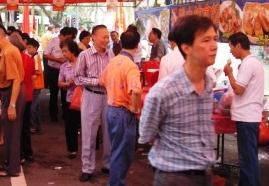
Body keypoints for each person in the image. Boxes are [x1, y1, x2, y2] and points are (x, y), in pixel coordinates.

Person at [139, 15, 217, 186]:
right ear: (187, 48)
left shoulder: (208, 83)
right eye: (206, 40)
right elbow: (146, 134)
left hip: (205, 174)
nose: (214, 46)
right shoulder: (163, 91)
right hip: (174, 177)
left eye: (215, 39)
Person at [100, 30, 142, 186]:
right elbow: (136, 91)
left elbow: (101, 81)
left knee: (117, 151)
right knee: (122, 153)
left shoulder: (113, 61)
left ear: (122, 43)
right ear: (137, 46)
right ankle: (116, 184)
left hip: (111, 110)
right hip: (123, 112)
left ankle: (114, 182)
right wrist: (135, 109)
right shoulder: (131, 66)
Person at [75, 24, 114, 182]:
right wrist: (97, 81)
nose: (107, 39)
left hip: (108, 97)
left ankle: (107, 164)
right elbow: (78, 78)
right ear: (93, 37)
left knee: (108, 132)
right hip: (91, 95)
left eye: (108, 37)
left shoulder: (111, 54)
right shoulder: (84, 55)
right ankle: (87, 168)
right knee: (89, 133)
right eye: (104, 36)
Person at [224, 32, 264, 186]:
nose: (230, 51)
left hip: (247, 118)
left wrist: (229, 74)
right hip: (249, 117)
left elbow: (239, 89)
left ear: (239, 45)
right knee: (250, 158)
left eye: (231, 47)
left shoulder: (248, 64)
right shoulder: (252, 63)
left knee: (247, 159)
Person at [0, 27, 26, 178]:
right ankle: (10, 162)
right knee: (11, 131)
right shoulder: (5, 51)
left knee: (11, 133)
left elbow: (16, 80)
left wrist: (12, 105)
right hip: (10, 92)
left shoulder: (9, 52)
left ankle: (12, 168)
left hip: (12, 93)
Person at [9, 33, 34, 164]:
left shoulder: (12, 58)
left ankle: (20, 154)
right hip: (28, 94)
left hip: (17, 94)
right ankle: (28, 152)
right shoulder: (29, 59)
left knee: (16, 127)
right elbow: (32, 77)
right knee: (25, 125)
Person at [58, 39, 82, 160]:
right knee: (70, 126)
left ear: (73, 50)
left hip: (85, 99)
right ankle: (72, 149)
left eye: (65, 51)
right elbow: (60, 83)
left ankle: (91, 147)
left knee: (87, 124)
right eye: (62, 51)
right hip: (70, 99)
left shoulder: (83, 63)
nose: (64, 54)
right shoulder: (64, 67)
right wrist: (67, 84)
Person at [44, 26, 74, 122]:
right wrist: (58, 60)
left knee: (66, 92)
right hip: (54, 69)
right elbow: (46, 54)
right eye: (67, 37)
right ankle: (53, 114)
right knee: (54, 92)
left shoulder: (70, 44)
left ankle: (66, 113)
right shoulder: (52, 41)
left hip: (66, 70)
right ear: (62, 35)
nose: (69, 39)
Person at [26, 38, 44, 133]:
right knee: (36, 106)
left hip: (36, 84)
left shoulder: (35, 58)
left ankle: (32, 126)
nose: (28, 50)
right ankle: (37, 125)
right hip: (38, 84)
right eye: (27, 48)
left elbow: (38, 71)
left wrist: (30, 72)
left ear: (35, 48)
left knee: (32, 106)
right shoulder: (35, 57)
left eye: (30, 47)